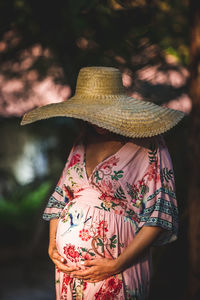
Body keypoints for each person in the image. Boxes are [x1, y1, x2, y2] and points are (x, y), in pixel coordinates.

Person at [21, 66, 185, 300]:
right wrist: (52, 247)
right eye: (90, 113)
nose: (95, 120)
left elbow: (160, 215)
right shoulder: (82, 141)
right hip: (70, 273)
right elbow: (60, 200)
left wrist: (117, 264)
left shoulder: (148, 146)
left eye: (101, 112)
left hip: (118, 268)